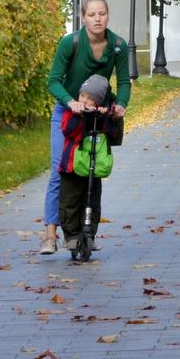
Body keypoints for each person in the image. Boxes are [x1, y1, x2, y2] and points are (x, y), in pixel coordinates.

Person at [40, 0, 130, 255]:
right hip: (67, 113)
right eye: (92, 14)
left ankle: (86, 230)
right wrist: (70, 102)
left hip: (96, 115)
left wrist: (121, 103)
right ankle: (50, 235)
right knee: (62, 170)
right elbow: (54, 81)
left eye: (102, 13)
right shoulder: (71, 43)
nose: (98, 18)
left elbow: (124, 81)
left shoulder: (117, 46)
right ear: (83, 17)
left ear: (108, 16)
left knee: (90, 170)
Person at [58, 73, 115, 256]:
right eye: (83, 96)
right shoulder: (70, 113)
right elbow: (68, 131)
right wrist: (79, 116)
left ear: (97, 103)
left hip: (93, 168)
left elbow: (112, 136)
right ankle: (72, 237)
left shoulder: (99, 116)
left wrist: (109, 116)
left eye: (90, 99)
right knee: (69, 203)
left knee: (92, 202)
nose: (84, 100)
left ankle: (89, 233)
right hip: (72, 167)